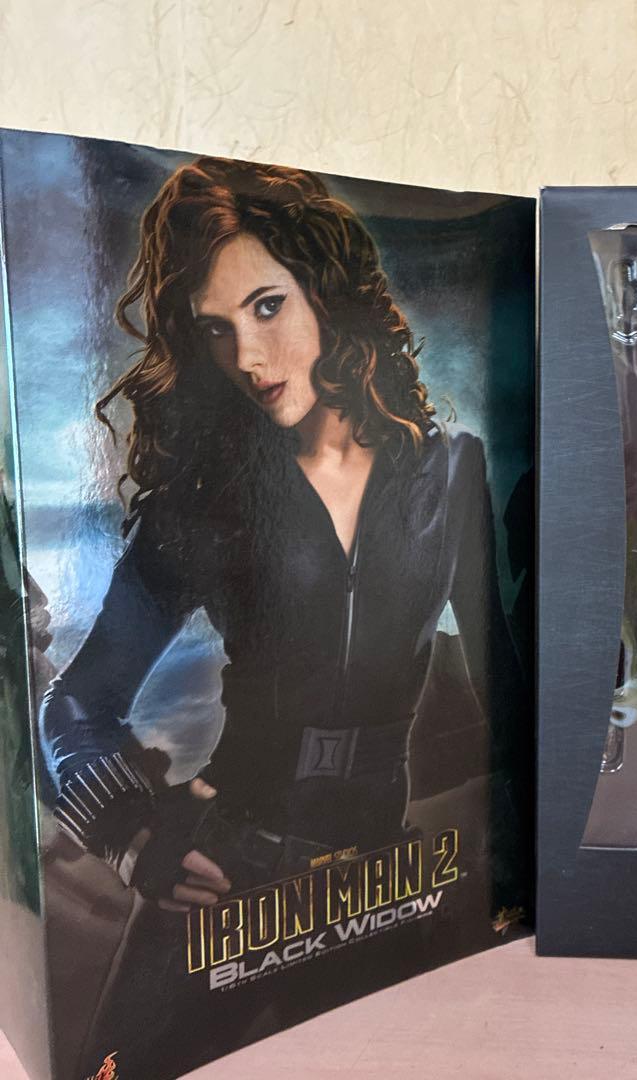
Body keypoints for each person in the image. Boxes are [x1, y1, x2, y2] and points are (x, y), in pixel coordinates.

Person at [38, 156, 521, 1076]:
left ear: (325, 290)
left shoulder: (449, 472)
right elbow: (74, 706)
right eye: (216, 329)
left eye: (267, 306)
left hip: (385, 880)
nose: (248, 358)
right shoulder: (204, 502)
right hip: (225, 874)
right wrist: (134, 838)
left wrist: (524, 851)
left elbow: (503, 680)